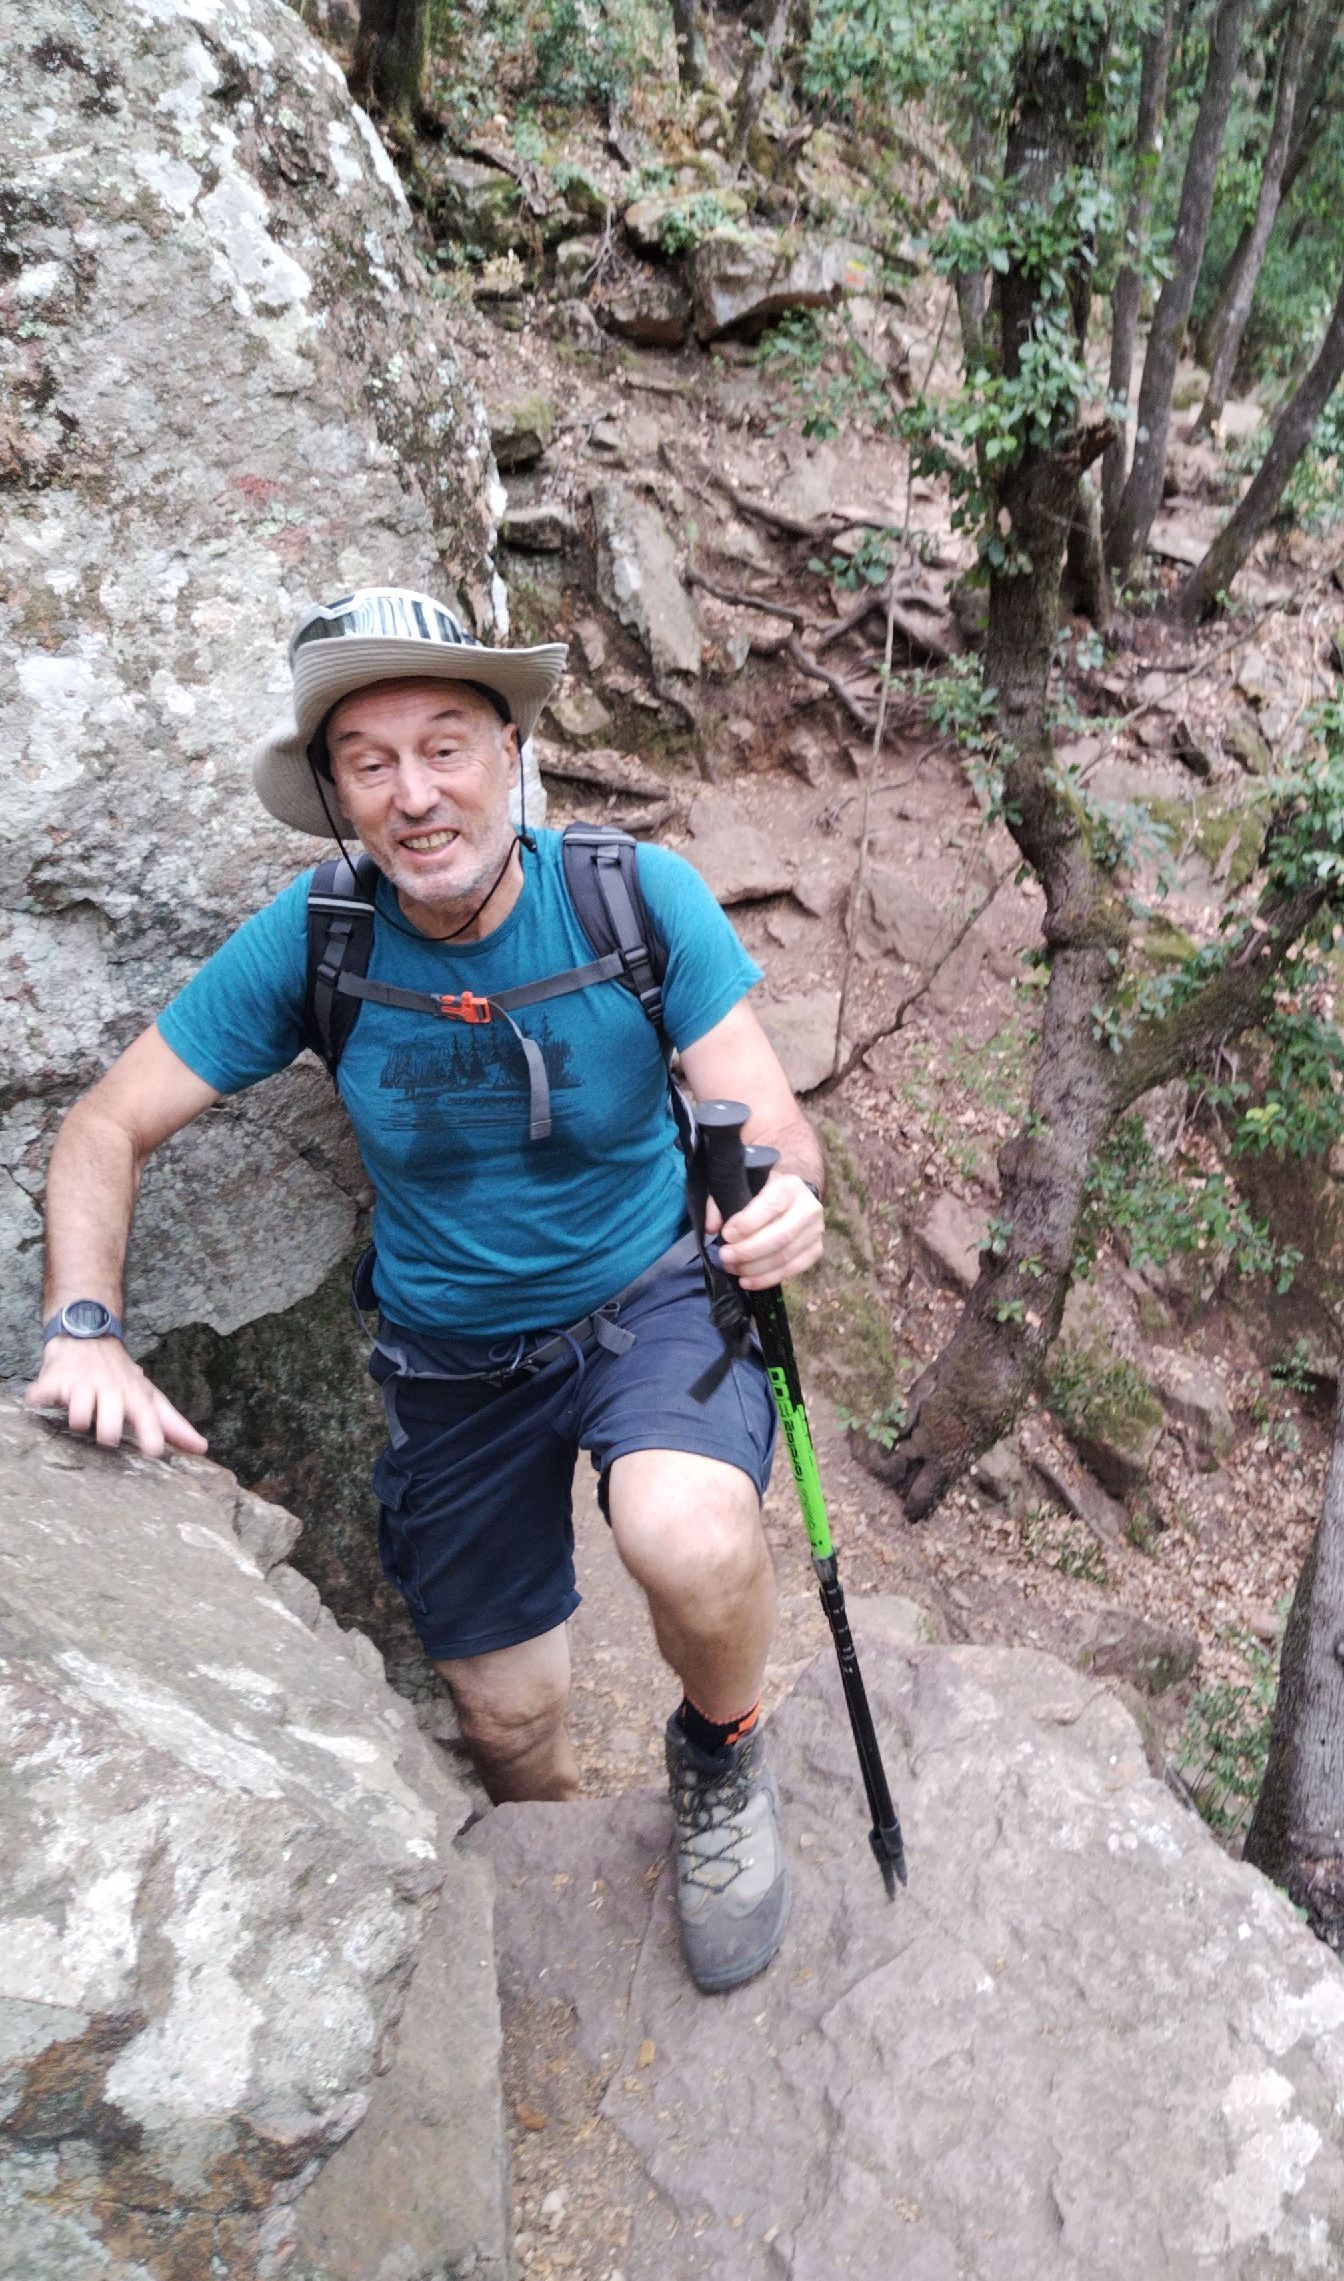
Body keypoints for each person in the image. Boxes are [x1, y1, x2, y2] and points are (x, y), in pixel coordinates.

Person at [25, 588, 825, 1996]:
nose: (415, 793)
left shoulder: (633, 898)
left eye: (446, 746)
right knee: (506, 1718)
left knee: (688, 1535)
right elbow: (104, 1126)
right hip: (453, 1356)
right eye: (372, 763)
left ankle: (720, 1750)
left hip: (646, 1297)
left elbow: (769, 1127)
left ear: (511, 751)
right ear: (336, 794)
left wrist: (781, 1201)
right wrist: (84, 1325)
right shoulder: (318, 940)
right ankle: (559, 1858)